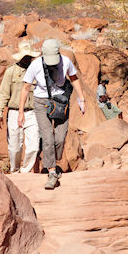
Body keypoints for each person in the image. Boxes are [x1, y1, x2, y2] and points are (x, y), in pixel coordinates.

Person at [18, 39, 86, 189]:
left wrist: (82, 99)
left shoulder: (66, 62)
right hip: (41, 103)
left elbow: (74, 79)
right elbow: (25, 88)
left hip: (61, 103)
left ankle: (52, 160)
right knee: (48, 137)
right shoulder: (35, 65)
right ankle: (52, 172)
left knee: (60, 138)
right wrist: (21, 112)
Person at [0, 40, 41, 173]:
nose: (27, 59)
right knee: (15, 148)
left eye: (29, 57)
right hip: (14, 112)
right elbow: (3, 93)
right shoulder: (11, 71)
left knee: (33, 146)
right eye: (25, 57)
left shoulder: (36, 72)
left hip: (32, 113)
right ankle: (15, 172)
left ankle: (25, 171)